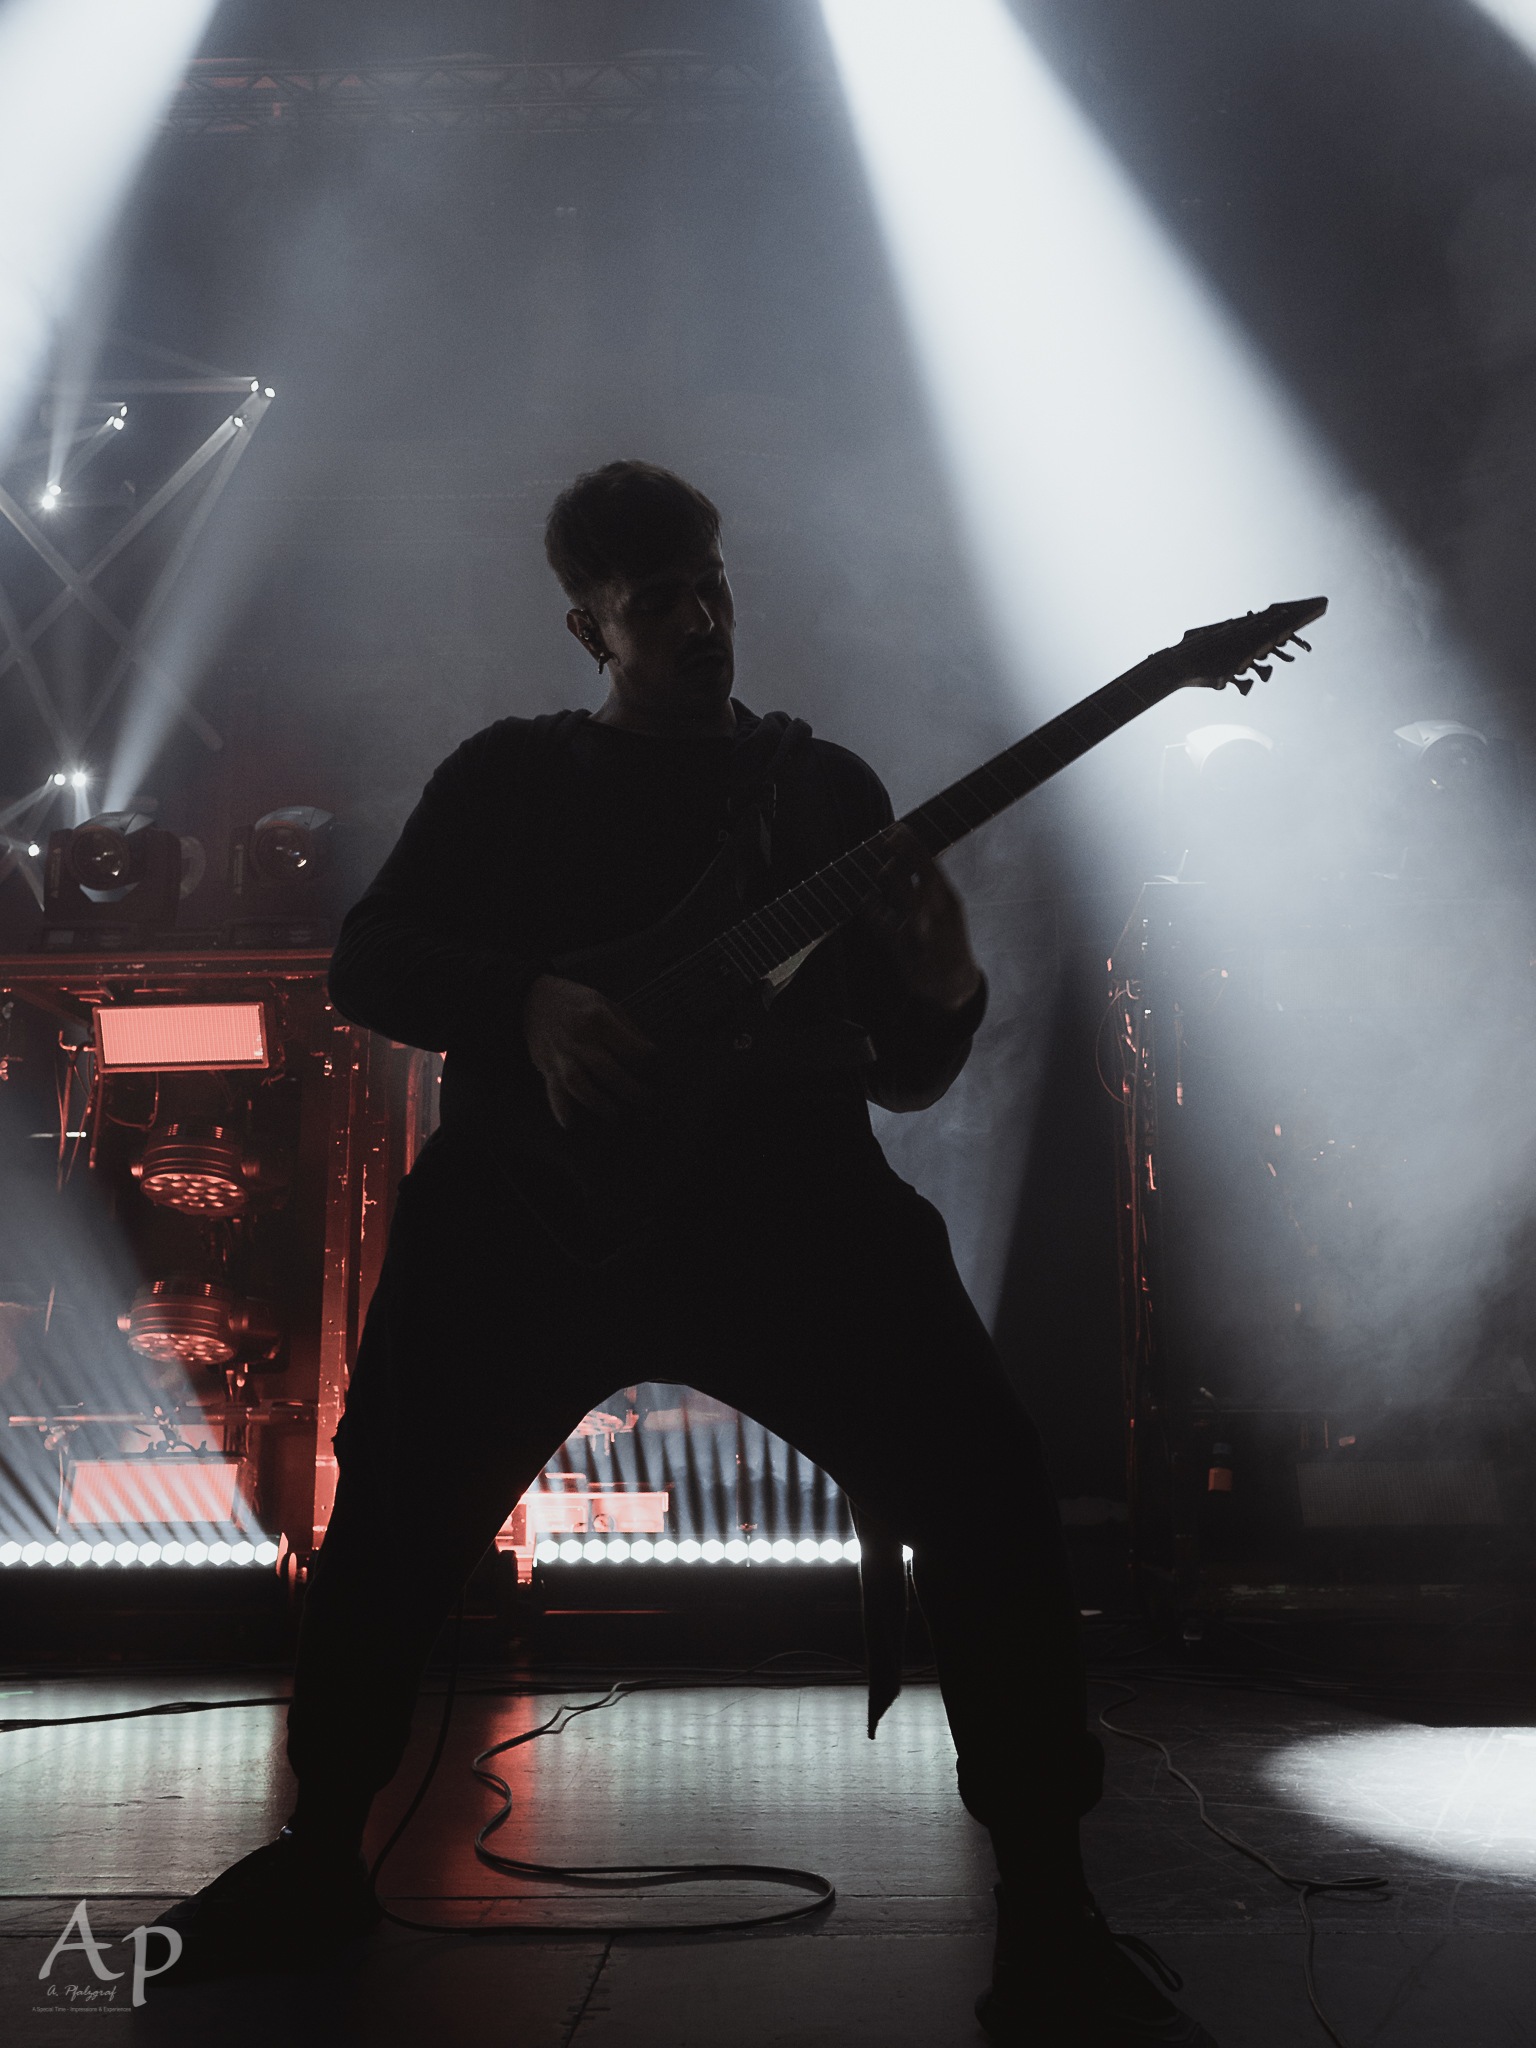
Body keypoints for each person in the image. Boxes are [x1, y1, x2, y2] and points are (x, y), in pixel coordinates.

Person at [152, 461, 1215, 2047]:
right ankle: (319, 1859)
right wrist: (527, 1001)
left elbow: (905, 1073)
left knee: (987, 1482)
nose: (705, 620)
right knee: (393, 1509)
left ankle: (1052, 1916)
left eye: (714, 585)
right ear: (589, 625)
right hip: (530, 1219)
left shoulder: (824, 792)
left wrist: (945, 987)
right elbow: (369, 959)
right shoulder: (512, 778)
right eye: (661, 601)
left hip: (785, 1210)